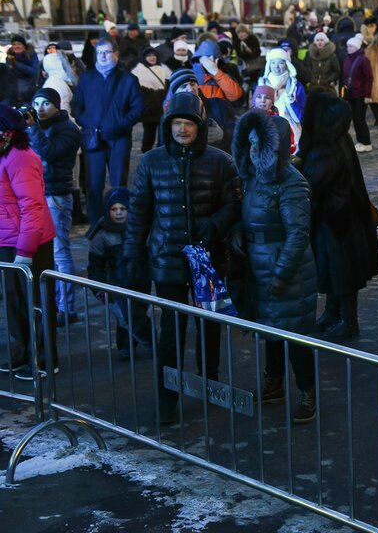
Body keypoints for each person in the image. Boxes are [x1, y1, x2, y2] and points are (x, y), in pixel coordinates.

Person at [123, 92, 242, 424]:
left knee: (210, 326)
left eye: (188, 123)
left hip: (208, 259)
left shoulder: (220, 161)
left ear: (199, 126)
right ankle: (167, 396)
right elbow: (139, 213)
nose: (182, 130)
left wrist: (215, 224)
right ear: (168, 126)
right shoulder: (151, 161)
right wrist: (132, 254)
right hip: (167, 258)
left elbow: (235, 203)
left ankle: (210, 384)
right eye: (176, 123)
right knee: (171, 331)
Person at [230, 108, 318, 421]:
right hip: (259, 263)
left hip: (286, 269)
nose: (253, 152)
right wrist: (241, 231)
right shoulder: (254, 177)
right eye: (250, 145)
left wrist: (281, 274)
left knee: (294, 335)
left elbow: (297, 234)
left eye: (260, 146)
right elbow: (251, 214)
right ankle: (274, 383)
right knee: (269, 330)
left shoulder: (291, 183)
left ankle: (308, 392)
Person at [297, 90, 378, 340]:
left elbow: (312, 184)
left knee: (342, 273)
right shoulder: (338, 138)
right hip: (342, 217)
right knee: (336, 271)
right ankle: (333, 313)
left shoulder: (326, 148)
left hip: (337, 220)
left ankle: (348, 321)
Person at [0, 106, 57, 380]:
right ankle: (21, 355)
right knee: (15, 303)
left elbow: (32, 206)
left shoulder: (20, 157)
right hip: (8, 240)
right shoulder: (4, 154)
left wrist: (25, 250)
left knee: (36, 303)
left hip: (29, 242)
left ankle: (44, 360)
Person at [71, 37, 143, 227]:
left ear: (116, 54)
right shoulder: (87, 78)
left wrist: (122, 124)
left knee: (119, 183)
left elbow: (137, 108)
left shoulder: (128, 79)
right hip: (93, 138)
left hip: (119, 138)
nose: (102, 56)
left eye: (106, 52)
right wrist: (86, 122)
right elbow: (76, 105)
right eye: (99, 52)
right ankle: (96, 224)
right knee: (93, 185)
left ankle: (120, 224)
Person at [26, 87, 81, 326]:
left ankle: (67, 307)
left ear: (57, 105)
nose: (40, 108)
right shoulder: (41, 127)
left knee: (61, 252)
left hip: (56, 196)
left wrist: (32, 129)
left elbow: (50, 153)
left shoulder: (68, 128)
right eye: (36, 103)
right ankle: (50, 303)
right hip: (37, 194)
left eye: (45, 103)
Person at [86, 187, 152, 359]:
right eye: (114, 209)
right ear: (108, 211)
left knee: (136, 314)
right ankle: (150, 344)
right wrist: (98, 288)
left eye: (123, 209)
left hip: (141, 280)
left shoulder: (140, 229)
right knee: (128, 316)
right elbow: (95, 266)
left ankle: (128, 346)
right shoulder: (101, 235)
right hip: (116, 284)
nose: (119, 213)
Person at [258, 47, 306, 144]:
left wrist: (291, 101)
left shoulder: (295, 86)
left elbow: (302, 116)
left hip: (291, 132)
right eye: (273, 62)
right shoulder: (262, 83)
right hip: (266, 131)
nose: (276, 66)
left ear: (286, 64)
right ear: (269, 65)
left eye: (280, 62)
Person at [131, 47, 169, 154]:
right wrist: (147, 105)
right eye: (149, 56)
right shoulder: (138, 71)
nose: (152, 58)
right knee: (149, 135)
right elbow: (138, 93)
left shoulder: (162, 69)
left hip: (162, 108)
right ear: (144, 58)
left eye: (154, 55)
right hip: (149, 110)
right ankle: (146, 156)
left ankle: (159, 156)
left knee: (162, 135)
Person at [341, 35, 374, 153]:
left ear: (356, 47)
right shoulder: (346, 59)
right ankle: (360, 141)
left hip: (361, 94)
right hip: (351, 94)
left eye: (351, 46)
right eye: (348, 46)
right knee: (355, 119)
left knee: (360, 119)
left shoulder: (363, 60)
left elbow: (369, 78)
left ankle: (366, 142)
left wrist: (368, 95)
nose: (348, 48)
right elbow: (344, 76)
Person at [6, 35, 40, 106]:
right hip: (15, 92)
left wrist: (16, 63)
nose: (16, 46)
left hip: (29, 90)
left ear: (24, 46)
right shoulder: (9, 58)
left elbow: (34, 72)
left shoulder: (31, 55)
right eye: (14, 44)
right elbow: (9, 76)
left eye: (19, 44)